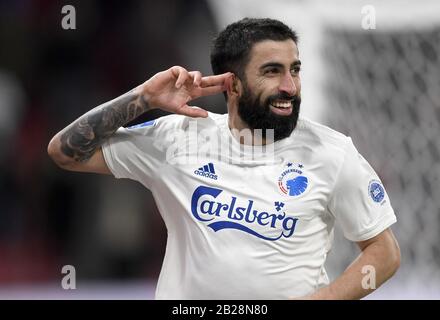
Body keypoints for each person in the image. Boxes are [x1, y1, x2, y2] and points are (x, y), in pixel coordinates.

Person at [48, 18, 400, 299]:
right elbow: (64, 152)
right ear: (233, 85)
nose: (290, 87)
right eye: (272, 71)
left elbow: (384, 252)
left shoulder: (332, 152)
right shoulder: (178, 137)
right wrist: (144, 97)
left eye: (294, 69)